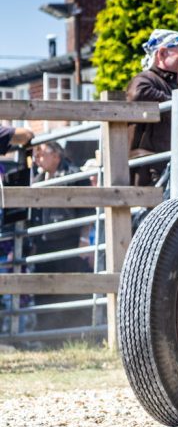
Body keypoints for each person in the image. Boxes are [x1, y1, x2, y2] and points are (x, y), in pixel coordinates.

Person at [28, 141, 92, 331]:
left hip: (69, 242)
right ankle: (47, 334)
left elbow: (87, 210)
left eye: (42, 153)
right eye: (35, 154)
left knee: (72, 288)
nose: (37, 158)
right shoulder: (37, 179)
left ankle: (76, 333)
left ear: (56, 155)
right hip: (43, 243)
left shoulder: (75, 174)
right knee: (44, 290)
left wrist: (84, 239)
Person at [127, 29, 178, 187]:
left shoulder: (169, 85)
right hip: (147, 174)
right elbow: (138, 93)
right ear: (161, 54)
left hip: (163, 169)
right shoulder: (145, 79)